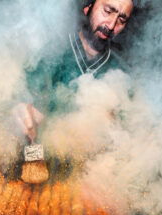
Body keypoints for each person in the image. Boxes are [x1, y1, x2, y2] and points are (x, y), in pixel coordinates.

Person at [13, 0, 134, 142]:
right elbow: (17, 101)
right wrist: (18, 111)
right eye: (107, 11)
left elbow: (128, 138)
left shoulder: (121, 74)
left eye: (121, 20)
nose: (112, 25)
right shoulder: (50, 54)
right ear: (88, 7)